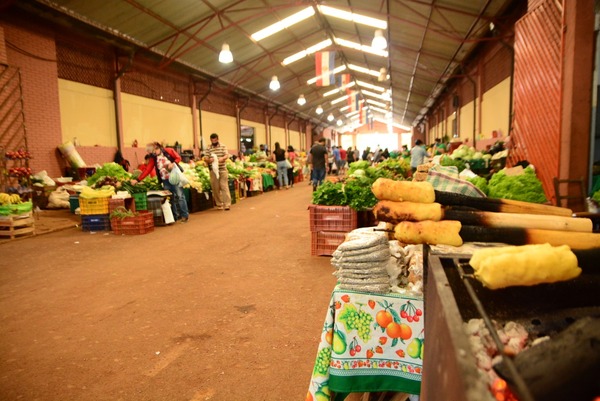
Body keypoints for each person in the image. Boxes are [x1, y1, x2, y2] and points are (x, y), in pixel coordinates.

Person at [134, 142, 189, 223]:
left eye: (153, 151)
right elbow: (148, 169)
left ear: (157, 148)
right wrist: (138, 179)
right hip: (165, 180)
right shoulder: (154, 158)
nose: (152, 154)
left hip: (174, 177)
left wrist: (173, 164)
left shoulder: (168, 151)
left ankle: (184, 215)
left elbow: (178, 158)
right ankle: (175, 216)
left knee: (180, 196)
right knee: (170, 198)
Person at [204, 133, 232, 211]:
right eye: (213, 140)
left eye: (215, 140)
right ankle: (219, 204)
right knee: (215, 188)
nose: (214, 141)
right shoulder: (208, 148)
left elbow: (227, 155)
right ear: (211, 140)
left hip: (222, 169)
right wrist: (209, 160)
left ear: (217, 139)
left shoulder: (223, 146)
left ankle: (227, 204)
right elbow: (205, 158)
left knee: (224, 186)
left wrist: (222, 158)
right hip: (213, 170)